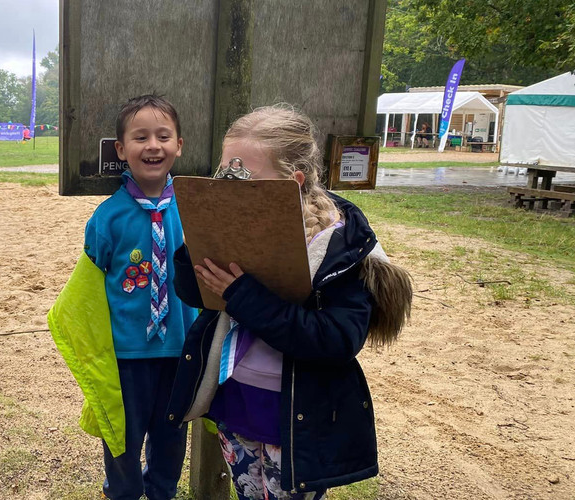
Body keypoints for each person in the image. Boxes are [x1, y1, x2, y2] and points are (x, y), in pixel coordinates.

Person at [165, 105, 413, 499]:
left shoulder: (338, 247)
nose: (231, 188)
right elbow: (198, 296)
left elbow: (336, 340)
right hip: (238, 403)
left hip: (296, 420)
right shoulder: (242, 226)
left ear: (292, 182)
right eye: (225, 176)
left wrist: (245, 297)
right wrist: (198, 241)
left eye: (245, 179)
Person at [56, 94, 197, 500]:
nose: (153, 146)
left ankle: (162, 493)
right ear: (121, 150)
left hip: (178, 354)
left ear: (179, 145)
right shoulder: (107, 218)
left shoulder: (193, 211)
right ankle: (121, 492)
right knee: (122, 441)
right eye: (140, 137)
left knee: (171, 441)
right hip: (125, 358)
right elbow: (88, 290)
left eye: (163, 136)